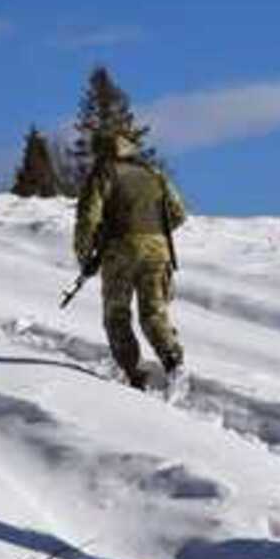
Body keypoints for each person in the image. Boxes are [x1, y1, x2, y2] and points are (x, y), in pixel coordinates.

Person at [74, 131, 188, 391]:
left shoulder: (104, 173)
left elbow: (87, 218)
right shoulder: (153, 173)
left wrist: (85, 256)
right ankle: (174, 363)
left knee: (117, 315)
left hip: (120, 252)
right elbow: (178, 213)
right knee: (154, 313)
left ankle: (135, 375)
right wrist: (154, 234)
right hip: (158, 252)